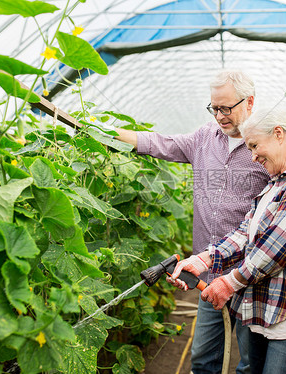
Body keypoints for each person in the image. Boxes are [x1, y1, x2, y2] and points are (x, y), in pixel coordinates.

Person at [113, 71, 270, 374]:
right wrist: (99, 131)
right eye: (214, 108)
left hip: (251, 275)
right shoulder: (203, 138)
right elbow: (160, 143)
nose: (220, 116)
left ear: (249, 102)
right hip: (208, 272)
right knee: (202, 359)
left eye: (227, 108)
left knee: (251, 363)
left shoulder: (263, 145)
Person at [171, 108, 286, 374]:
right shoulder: (273, 186)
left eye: (255, 146)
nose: (253, 156)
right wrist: (203, 259)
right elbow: (243, 234)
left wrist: (227, 282)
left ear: (279, 134)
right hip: (261, 313)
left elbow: (274, 248)